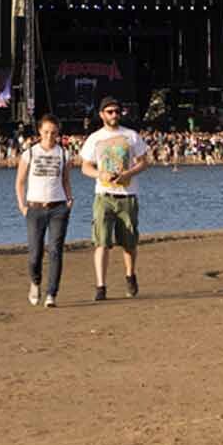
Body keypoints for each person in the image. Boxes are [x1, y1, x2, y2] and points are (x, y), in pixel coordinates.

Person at [79, 97, 150, 301]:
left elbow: (144, 162)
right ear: (102, 114)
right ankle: (101, 286)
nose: (114, 115)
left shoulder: (131, 136)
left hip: (127, 195)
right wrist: (100, 174)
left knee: (129, 243)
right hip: (104, 195)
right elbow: (85, 166)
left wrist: (129, 173)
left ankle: (130, 276)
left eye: (117, 111)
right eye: (109, 111)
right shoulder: (94, 138)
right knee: (101, 241)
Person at [15, 114, 74, 307]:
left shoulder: (63, 154)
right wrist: (22, 205)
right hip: (35, 208)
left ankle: (51, 294)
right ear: (40, 132)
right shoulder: (30, 153)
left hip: (58, 207)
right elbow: (20, 182)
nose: (50, 136)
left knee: (56, 250)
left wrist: (69, 199)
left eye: (54, 133)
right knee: (35, 253)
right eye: (46, 132)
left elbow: (65, 180)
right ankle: (35, 282)